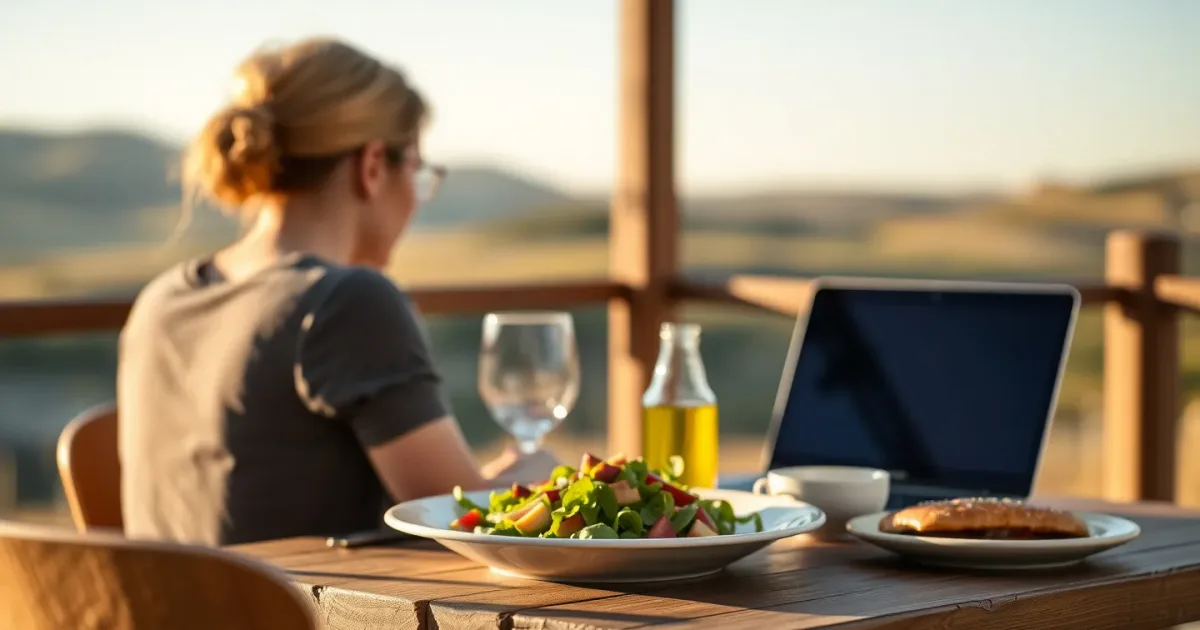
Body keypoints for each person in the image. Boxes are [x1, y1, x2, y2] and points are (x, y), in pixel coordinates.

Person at [117, 37, 555, 546]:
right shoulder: (347, 302)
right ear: (372, 167)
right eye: (415, 171)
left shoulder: (162, 300)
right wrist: (542, 476)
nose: (417, 196)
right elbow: (462, 524)